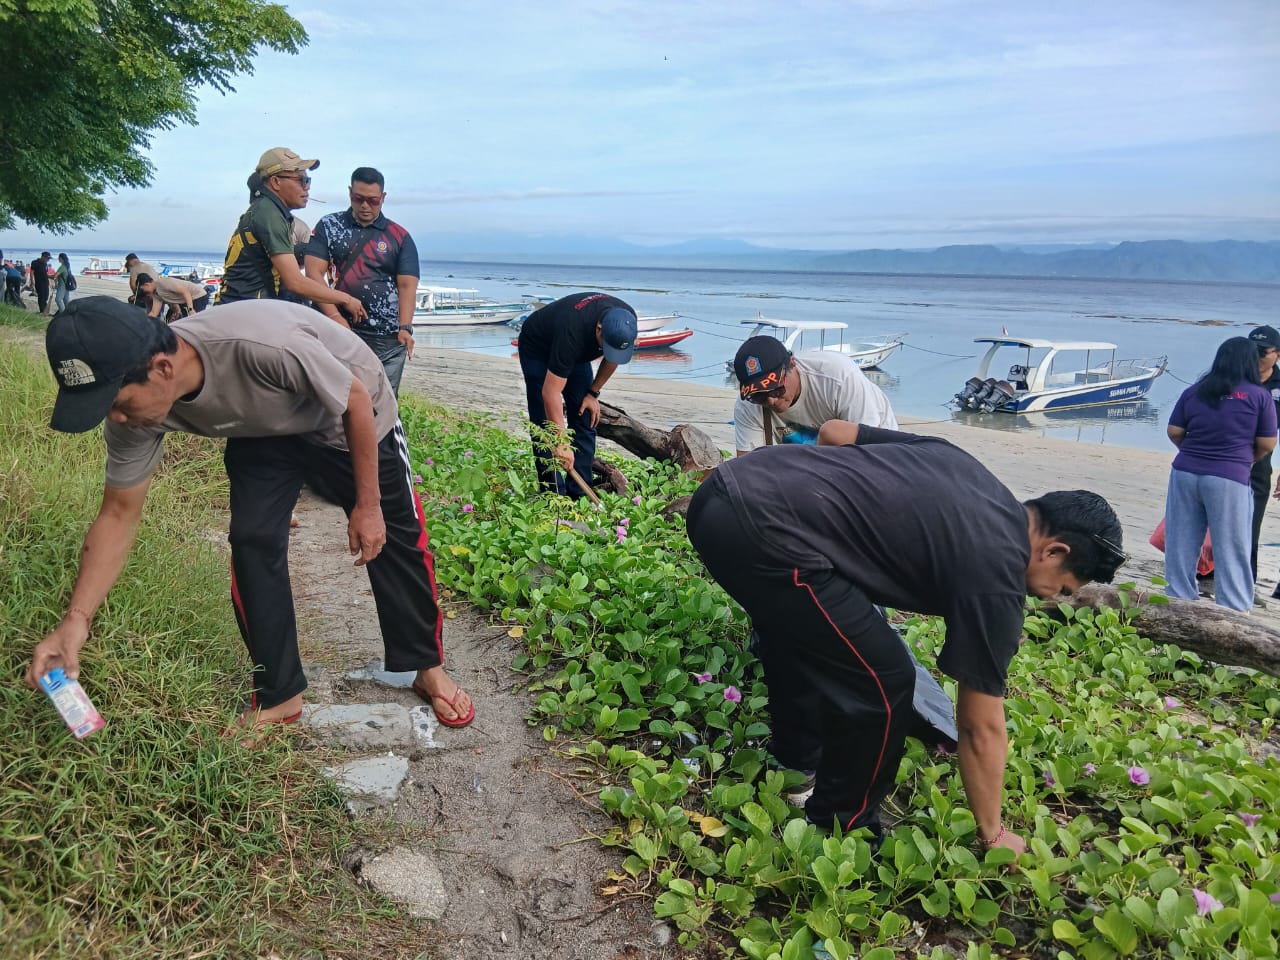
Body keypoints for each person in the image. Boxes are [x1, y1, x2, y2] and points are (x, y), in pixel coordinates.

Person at [25, 296, 474, 734]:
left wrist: (368, 506)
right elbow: (118, 515)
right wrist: (76, 621)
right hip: (263, 428)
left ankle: (426, 666)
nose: (117, 419)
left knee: (395, 539)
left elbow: (355, 400)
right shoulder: (135, 414)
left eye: (118, 403)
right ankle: (280, 694)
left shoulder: (263, 347)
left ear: (163, 369)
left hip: (349, 415)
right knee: (253, 539)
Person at [686, 420, 1126, 849]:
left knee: (809, 636)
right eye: (1062, 587)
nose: (1049, 596)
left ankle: (797, 765)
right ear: (1054, 551)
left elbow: (836, 432)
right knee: (883, 681)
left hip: (723, 491)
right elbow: (980, 726)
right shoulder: (999, 572)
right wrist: (994, 832)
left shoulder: (964, 466)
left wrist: (829, 512)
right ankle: (844, 827)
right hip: (760, 533)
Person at [1165, 337, 1277, 611]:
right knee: (1232, 544)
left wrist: (1193, 449)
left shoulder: (1196, 390)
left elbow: (1175, 431)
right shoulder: (1259, 395)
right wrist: (1246, 459)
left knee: (1181, 540)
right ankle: (1234, 606)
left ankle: (1178, 597)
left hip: (1186, 472)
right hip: (1229, 476)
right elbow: (1267, 443)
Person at [215, 147, 367, 324]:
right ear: (276, 182)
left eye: (308, 181)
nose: (307, 188)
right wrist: (346, 299)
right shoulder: (269, 214)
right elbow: (296, 282)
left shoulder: (268, 210)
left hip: (241, 311)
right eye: (301, 180)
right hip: (243, 316)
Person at [305, 168, 421, 394]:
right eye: (358, 199)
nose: (365, 206)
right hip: (337, 328)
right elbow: (313, 275)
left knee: (383, 398)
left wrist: (405, 327)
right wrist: (335, 316)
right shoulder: (329, 226)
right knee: (335, 394)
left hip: (385, 336)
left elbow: (407, 285)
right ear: (350, 193)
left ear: (383, 198)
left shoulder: (399, 236)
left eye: (373, 200)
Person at [515, 292, 638, 497]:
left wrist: (592, 393)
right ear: (599, 328)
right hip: (538, 346)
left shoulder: (625, 322)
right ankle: (552, 496)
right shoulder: (572, 331)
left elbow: (613, 356)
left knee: (585, 414)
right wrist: (562, 443)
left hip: (576, 351)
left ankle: (579, 496)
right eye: (605, 344)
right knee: (543, 423)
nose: (607, 351)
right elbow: (550, 392)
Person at [732, 335, 898, 454]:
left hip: (876, 446)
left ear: (792, 363)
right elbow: (748, 468)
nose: (771, 400)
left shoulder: (838, 377)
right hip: (810, 462)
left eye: (776, 389)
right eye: (759, 396)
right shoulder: (748, 403)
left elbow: (868, 449)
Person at [1244, 326, 1280, 602]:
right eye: (1251, 349)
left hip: (1259, 465)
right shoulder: (1234, 378)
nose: (1255, 356)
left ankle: (1246, 583)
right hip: (1225, 458)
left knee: (1251, 525)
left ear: (1277, 355)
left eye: (1262, 352)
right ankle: (1206, 575)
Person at [134, 272, 210, 320]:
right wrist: (143, 323)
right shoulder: (156, 294)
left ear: (146, 284)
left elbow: (185, 292)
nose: (144, 292)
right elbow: (154, 313)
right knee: (181, 322)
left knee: (194, 321)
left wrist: (191, 309)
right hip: (185, 300)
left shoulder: (163, 282)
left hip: (198, 296)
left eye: (143, 289)